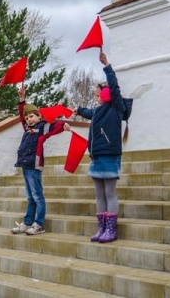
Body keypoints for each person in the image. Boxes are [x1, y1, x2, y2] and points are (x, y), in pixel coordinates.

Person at [73, 51, 125, 244]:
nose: (97, 96)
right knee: (99, 194)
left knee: (110, 193)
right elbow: (89, 112)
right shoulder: (97, 111)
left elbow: (115, 87)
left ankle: (111, 229)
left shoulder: (116, 108)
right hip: (96, 158)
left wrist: (107, 66)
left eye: (99, 93)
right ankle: (101, 227)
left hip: (110, 156)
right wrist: (77, 110)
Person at [11, 86, 70, 236]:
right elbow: (21, 112)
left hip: (34, 166)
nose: (28, 119)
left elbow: (54, 126)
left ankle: (39, 224)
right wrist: (22, 100)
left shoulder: (42, 128)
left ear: (38, 117)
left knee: (38, 197)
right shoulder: (26, 128)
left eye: (31, 116)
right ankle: (28, 222)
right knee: (30, 196)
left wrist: (63, 125)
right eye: (27, 118)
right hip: (25, 165)